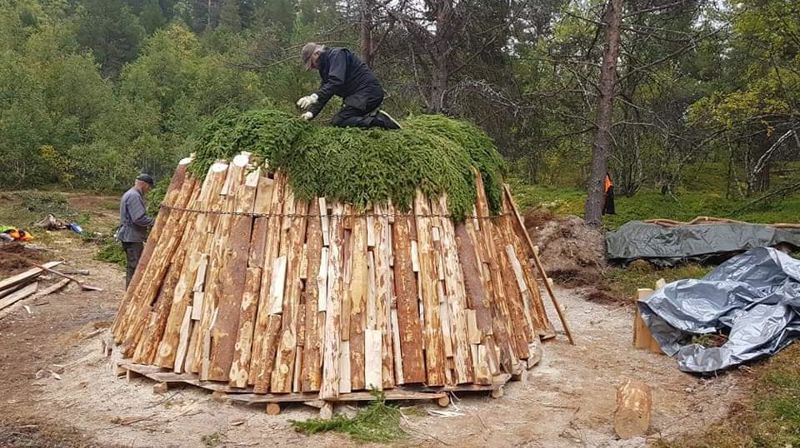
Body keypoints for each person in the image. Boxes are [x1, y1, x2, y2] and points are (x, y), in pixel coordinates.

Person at [296, 43, 401, 130]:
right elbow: (326, 92)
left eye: (312, 63)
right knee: (342, 120)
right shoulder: (326, 68)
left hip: (368, 93)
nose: (312, 67)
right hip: (359, 96)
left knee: (339, 121)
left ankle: (380, 120)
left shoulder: (337, 55)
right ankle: (373, 123)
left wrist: (313, 97)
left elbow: (336, 81)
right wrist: (310, 114)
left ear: (317, 53)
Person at [118, 173, 155, 288]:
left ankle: (130, 291)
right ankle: (131, 292)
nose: (148, 190)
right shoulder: (134, 196)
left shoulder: (130, 193)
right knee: (135, 266)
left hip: (129, 236)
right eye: (149, 187)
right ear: (143, 184)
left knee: (133, 265)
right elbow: (138, 218)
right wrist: (155, 221)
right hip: (132, 237)